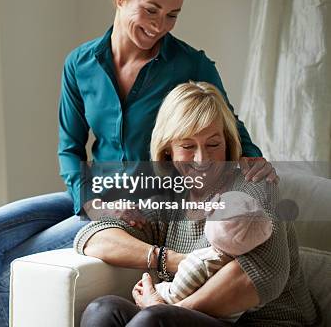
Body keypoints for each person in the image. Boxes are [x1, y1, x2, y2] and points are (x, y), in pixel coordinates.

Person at [0, 0, 276, 327]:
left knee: (7, 259)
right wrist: (88, 202)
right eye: (151, 10)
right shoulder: (80, 63)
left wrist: (255, 162)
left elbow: (228, 124)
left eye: (172, 15)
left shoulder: (189, 64)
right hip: (94, 195)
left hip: (142, 206)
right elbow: (69, 148)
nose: (159, 25)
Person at [76, 82, 320, 327]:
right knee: (103, 309)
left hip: (270, 323)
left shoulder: (254, 184)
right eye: (188, 146)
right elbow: (92, 237)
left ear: (227, 144)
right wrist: (167, 259)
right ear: (168, 151)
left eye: (213, 144)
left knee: (154, 319)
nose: (202, 159)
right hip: (189, 318)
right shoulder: (167, 201)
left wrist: (167, 308)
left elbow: (262, 275)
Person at [155, 191, 273, 323]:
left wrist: (156, 289)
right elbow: (255, 305)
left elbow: (174, 296)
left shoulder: (200, 262)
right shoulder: (248, 273)